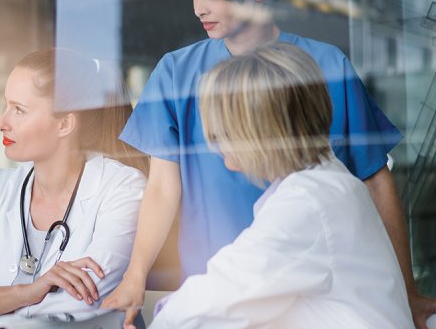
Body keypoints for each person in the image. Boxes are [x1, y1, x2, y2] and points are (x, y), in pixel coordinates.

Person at [101, 0, 436, 328]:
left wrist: (405, 290)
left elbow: (375, 179)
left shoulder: (324, 68)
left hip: (308, 293)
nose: (199, 8)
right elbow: (161, 187)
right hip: (220, 291)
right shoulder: (176, 74)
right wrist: (136, 275)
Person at [149, 44, 413, 328]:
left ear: (261, 132)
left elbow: (218, 295)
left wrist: (161, 314)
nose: (215, 145)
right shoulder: (326, 181)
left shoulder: (307, 202)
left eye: (223, 131)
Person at [0, 49, 147, 322]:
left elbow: (85, 298)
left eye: (19, 110)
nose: (1, 123)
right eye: (6, 105)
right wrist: (28, 292)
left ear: (64, 124)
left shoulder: (122, 188)